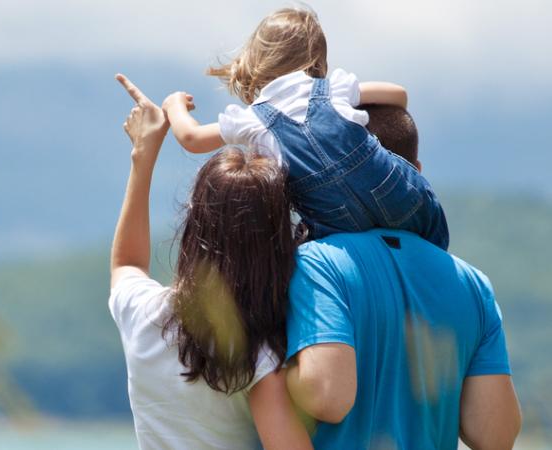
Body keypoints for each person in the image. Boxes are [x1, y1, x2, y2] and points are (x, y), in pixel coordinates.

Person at [284, 106, 522, 449]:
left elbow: (327, 398)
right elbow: (495, 435)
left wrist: (267, 375)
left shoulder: (317, 264)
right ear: (416, 172)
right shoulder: (473, 284)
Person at [108, 74, 312, 450]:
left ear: (194, 228)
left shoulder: (144, 316)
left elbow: (126, 265)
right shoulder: (256, 357)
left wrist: (144, 154)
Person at [161, 6, 448, 249]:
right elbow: (398, 95)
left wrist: (174, 105)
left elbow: (191, 138)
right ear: (318, 61)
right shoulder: (334, 88)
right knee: (434, 239)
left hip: (337, 227)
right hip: (401, 195)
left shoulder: (253, 120)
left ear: (255, 62)